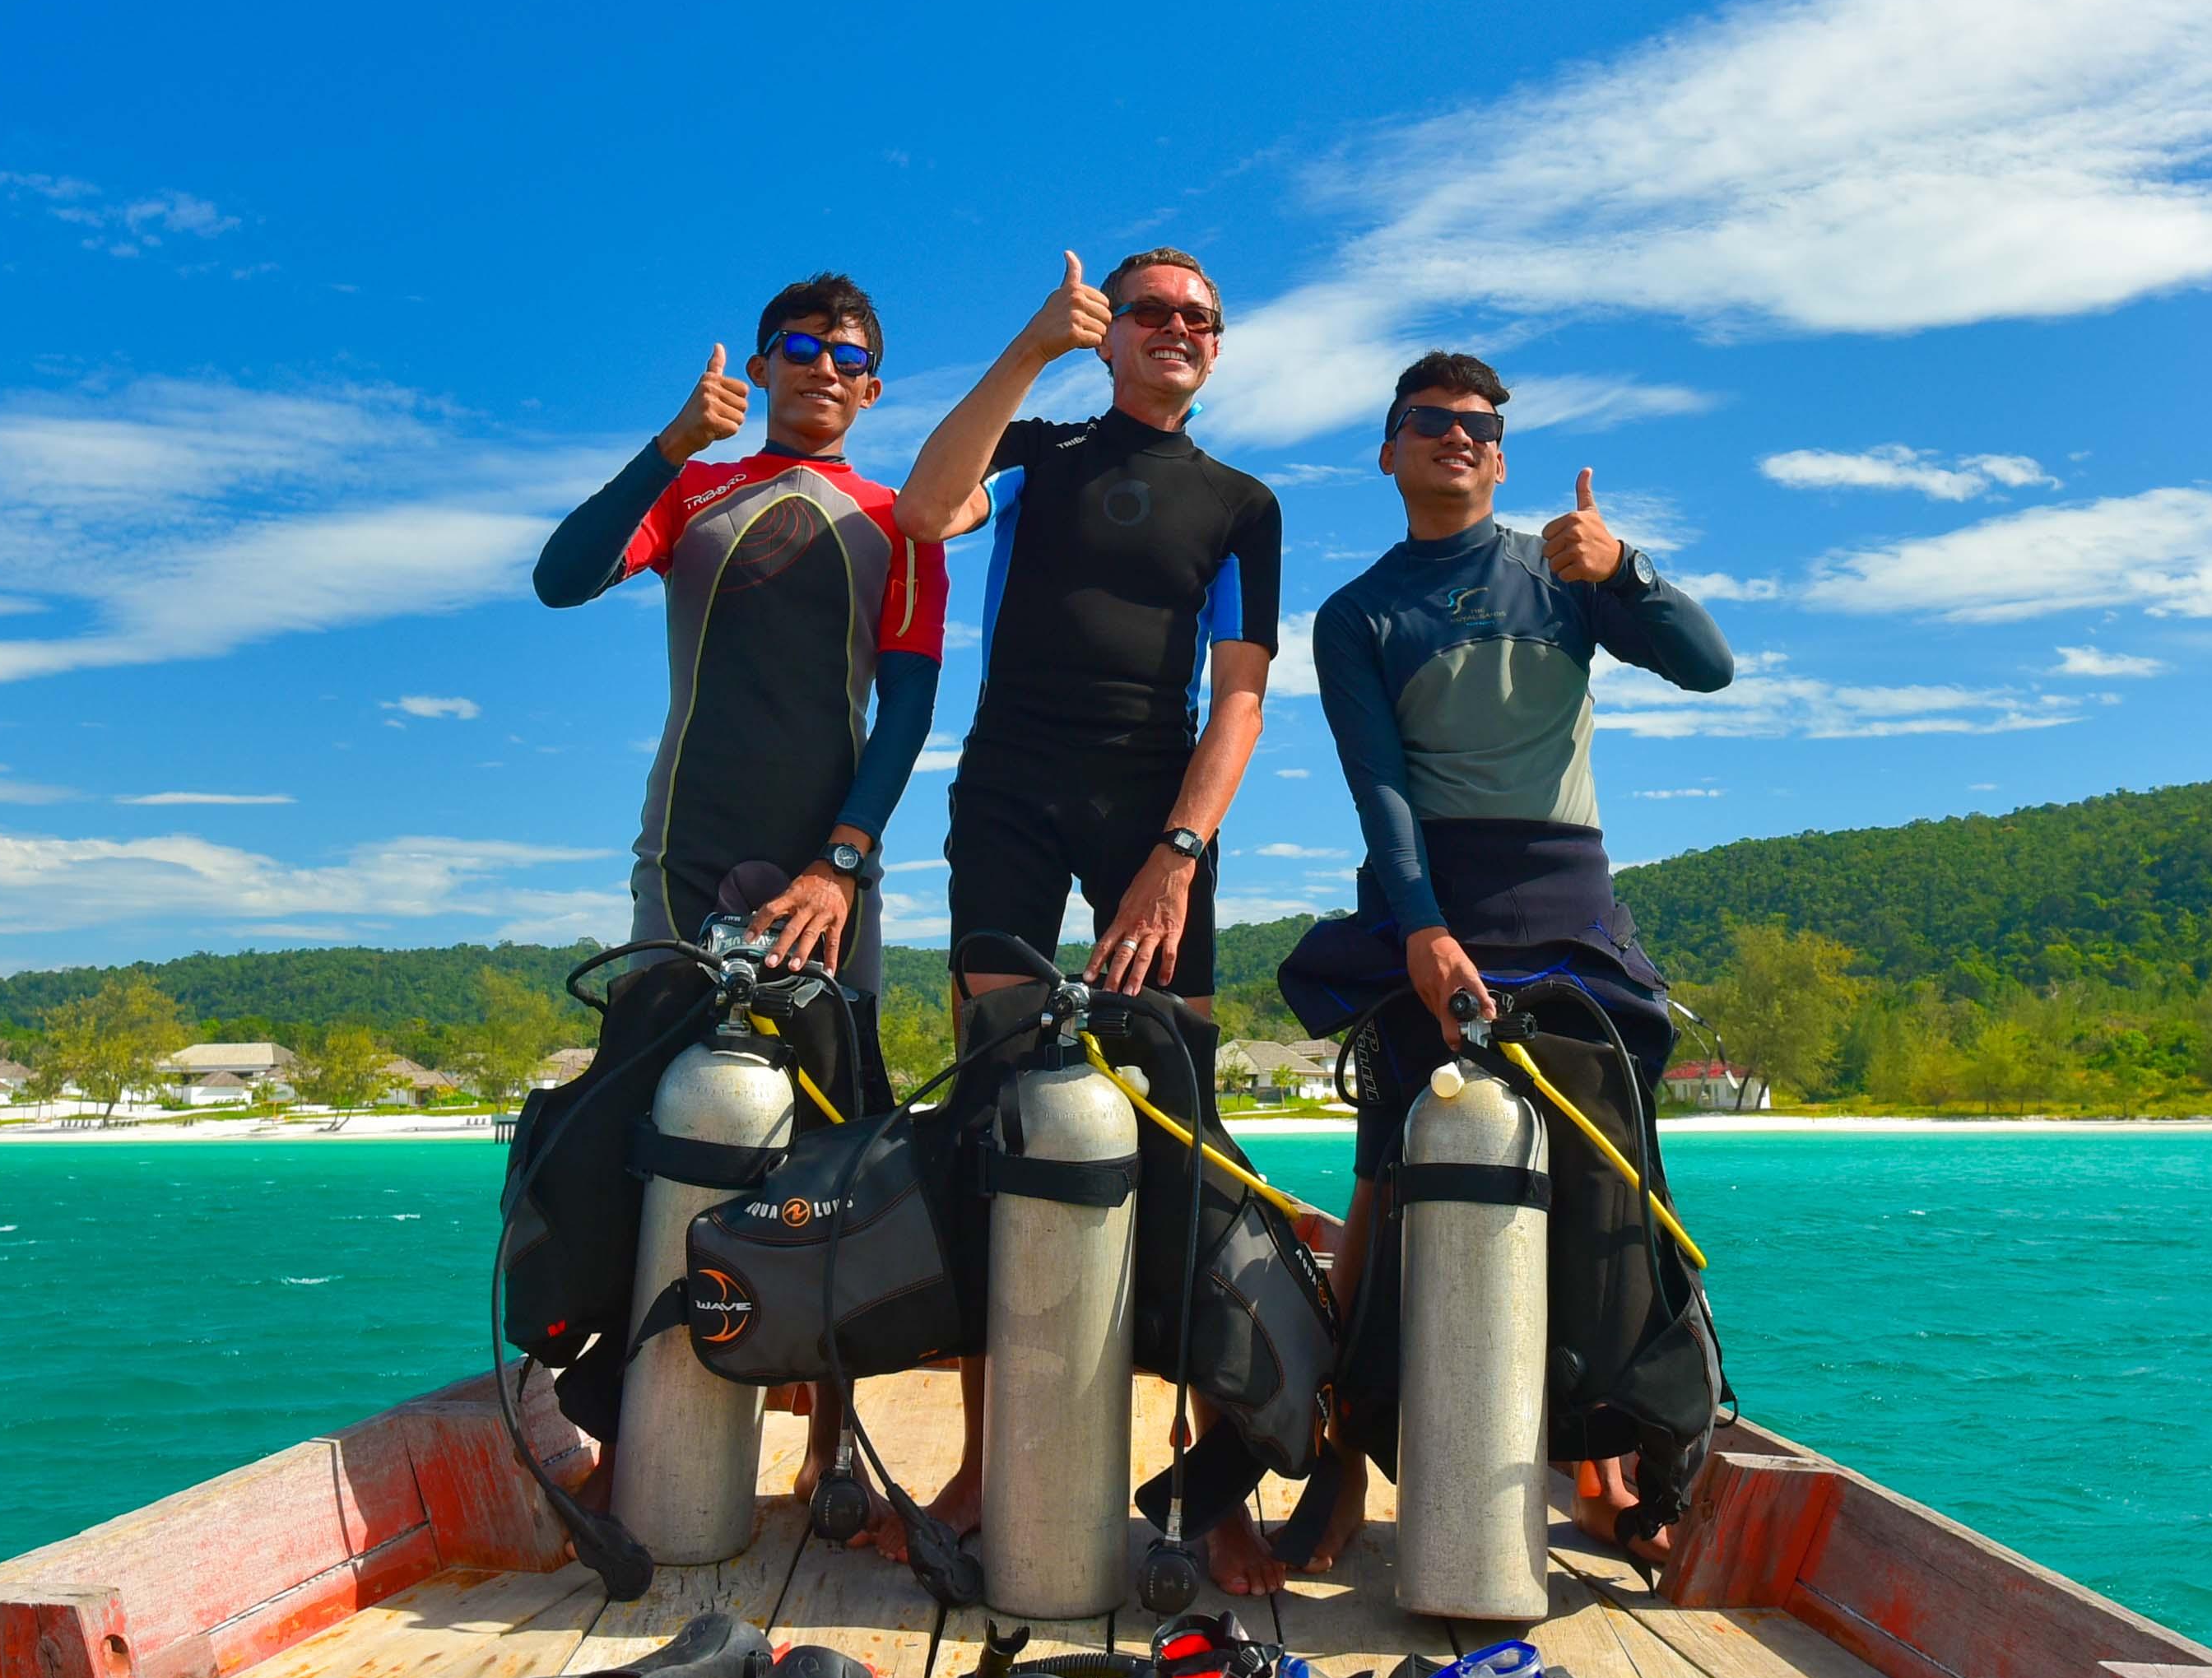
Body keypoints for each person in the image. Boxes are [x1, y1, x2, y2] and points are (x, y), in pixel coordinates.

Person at [1275, 350, 1734, 1568]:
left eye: (1480, 426)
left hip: (1570, 898)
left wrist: (1629, 570)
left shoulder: (1567, 574)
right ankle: (1339, 1461)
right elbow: (1380, 789)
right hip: (1431, 896)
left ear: (1503, 452)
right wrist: (1422, 928)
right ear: (1388, 449)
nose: (1458, 439)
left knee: (1611, 1171)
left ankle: (1608, 1457)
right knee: (1390, 1166)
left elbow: (1709, 664)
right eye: (1431, 422)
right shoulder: (1360, 613)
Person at [531, 272, 946, 1527]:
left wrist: (845, 861)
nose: (824, 367)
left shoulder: (903, 521)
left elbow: (911, 708)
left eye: (850, 356)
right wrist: (671, 443)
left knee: (836, 1147)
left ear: (873, 389)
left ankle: (830, 1447)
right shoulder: (697, 487)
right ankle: (629, 1421)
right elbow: (562, 578)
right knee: (649, 1136)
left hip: (828, 870)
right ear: (762, 367)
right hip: (685, 857)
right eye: (801, 347)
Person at [892, 246, 1283, 1563]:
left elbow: (1237, 698)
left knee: (1183, 1133)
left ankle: (1199, 1468)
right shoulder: (1043, 449)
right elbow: (922, 508)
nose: (1179, 330)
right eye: (1154, 312)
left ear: (1215, 349)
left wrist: (1179, 850)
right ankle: (983, 1461)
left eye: (1201, 319)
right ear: (1111, 333)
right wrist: (1024, 351)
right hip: (1008, 787)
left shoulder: (1242, 502)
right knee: (989, 1119)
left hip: (1151, 810)